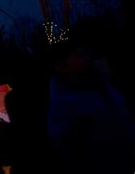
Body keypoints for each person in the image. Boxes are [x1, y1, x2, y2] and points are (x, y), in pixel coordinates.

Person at [47, 44, 135, 174]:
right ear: (61, 67)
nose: (87, 58)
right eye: (78, 55)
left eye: (86, 53)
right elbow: (64, 146)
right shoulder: (64, 104)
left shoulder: (105, 87)